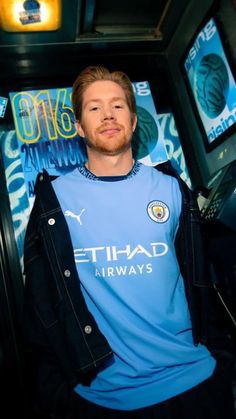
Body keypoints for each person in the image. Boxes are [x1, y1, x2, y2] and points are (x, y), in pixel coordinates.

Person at [23, 66, 236, 419]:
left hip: (195, 382)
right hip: (107, 399)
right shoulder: (54, 202)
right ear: (79, 126)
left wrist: (222, 357)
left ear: (134, 120)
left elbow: (203, 280)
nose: (107, 114)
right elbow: (39, 310)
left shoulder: (170, 188)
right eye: (94, 108)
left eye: (117, 105)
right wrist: (57, 395)